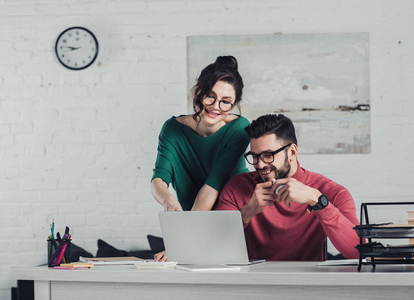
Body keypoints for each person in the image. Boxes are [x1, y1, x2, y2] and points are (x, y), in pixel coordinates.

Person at [216, 114, 360, 261]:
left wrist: (317, 201)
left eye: (268, 155)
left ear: (292, 152)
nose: (259, 164)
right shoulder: (237, 187)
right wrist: (247, 211)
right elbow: (213, 248)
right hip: (252, 280)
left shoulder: (332, 192)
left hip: (310, 281)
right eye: (254, 156)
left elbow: (357, 252)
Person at [151, 56, 250, 261]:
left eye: (226, 102)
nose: (215, 106)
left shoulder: (239, 130)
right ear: (198, 92)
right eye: (210, 96)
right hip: (196, 222)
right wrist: (168, 199)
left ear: (233, 105)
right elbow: (159, 178)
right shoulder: (172, 129)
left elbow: (211, 186)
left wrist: (184, 242)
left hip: (236, 223)